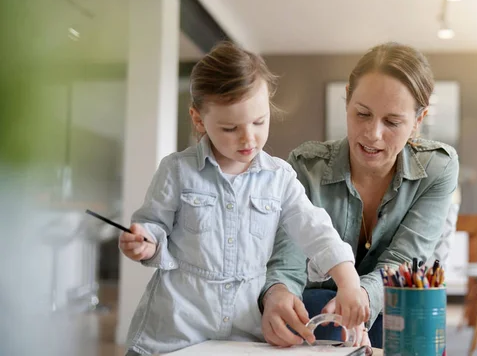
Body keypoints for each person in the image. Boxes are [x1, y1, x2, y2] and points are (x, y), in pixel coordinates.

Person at [118, 42, 369, 355]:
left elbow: (316, 229)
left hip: (241, 338)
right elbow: (152, 226)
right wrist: (145, 242)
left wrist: (349, 282)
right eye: (230, 128)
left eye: (259, 122)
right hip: (174, 335)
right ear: (199, 120)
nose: (249, 138)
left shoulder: (280, 178)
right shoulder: (177, 170)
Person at [260, 42, 459, 349]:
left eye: (392, 122)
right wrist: (278, 293)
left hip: (392, 299)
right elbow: (289, 258)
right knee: (319, 305)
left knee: (405, 311)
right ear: (347, 100)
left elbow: (403, 261)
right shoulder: (306, 166)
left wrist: (360, 297)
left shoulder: (438, 168)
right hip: (319, 304)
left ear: (418, 120)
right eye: (362, 114)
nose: (372, 134)